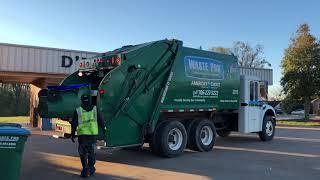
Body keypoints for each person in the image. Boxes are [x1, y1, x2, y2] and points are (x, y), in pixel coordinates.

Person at [71, 95, 106, 178]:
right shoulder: (95, 109)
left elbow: (74, 123)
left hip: (82, 136)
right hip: (92, 135)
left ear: (81, 101)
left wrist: (72, 134)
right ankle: (91, 168)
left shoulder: (78, 110)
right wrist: (104, 129)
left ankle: (85, 170)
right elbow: (101, 119)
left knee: (83, 153)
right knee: (91, 152)